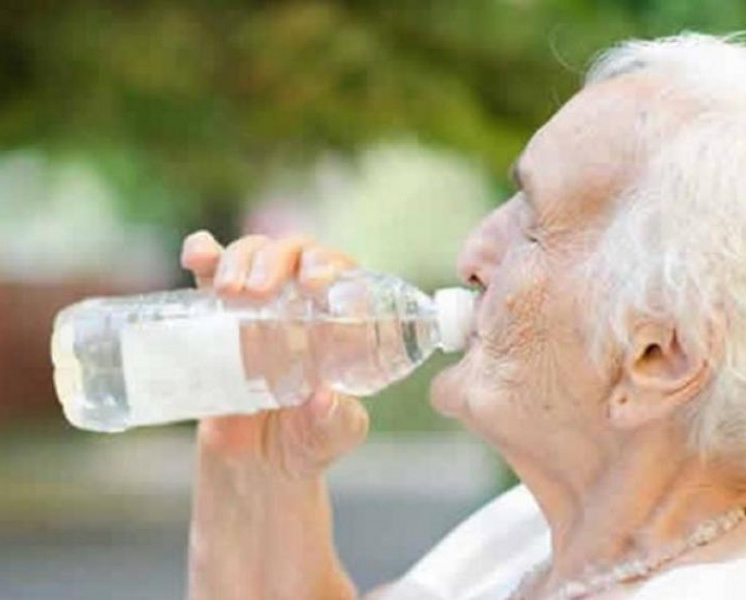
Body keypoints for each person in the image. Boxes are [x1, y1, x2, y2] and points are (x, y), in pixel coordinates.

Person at [180, 33, 746, 599]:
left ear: (658, 357)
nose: (471, 255)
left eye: (532, 224)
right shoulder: (534, 531)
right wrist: (257, 460)